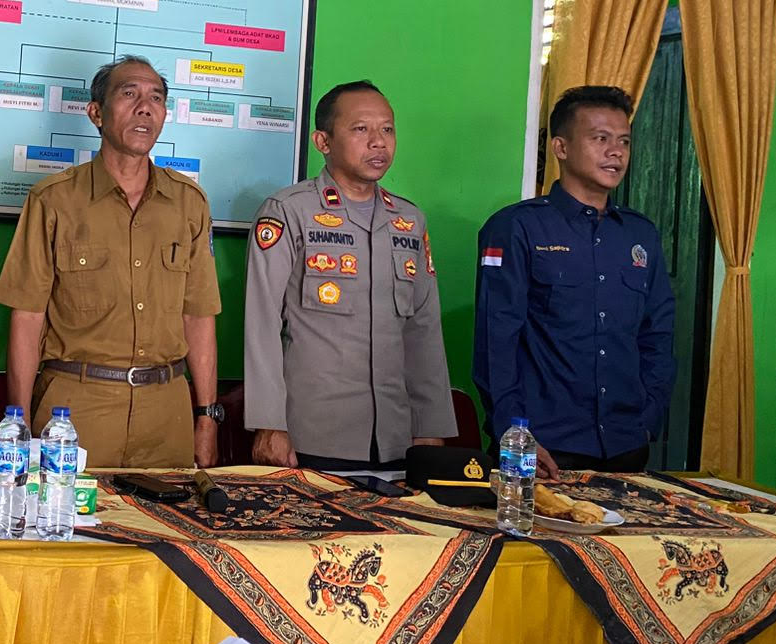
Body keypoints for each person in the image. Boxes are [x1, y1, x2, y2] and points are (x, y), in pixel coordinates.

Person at [0, 56, 223, 468]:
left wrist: (206, 416)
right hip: (75, 412)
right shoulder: (54, 200)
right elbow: (27, 317)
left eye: (156, 98)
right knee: (69, 512)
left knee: (173, 512)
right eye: (129, 93)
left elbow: (198, 315)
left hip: (166, 412)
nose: (145, 107)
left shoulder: (189, 203)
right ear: (96, 113)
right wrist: (20, 427)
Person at [244, 81, 455, 470]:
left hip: (397, 438)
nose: (378, 142)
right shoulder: (289, 211)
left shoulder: (409, 220)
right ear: (322, 141)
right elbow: (261, 324)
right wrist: (269, 423)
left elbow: (423, 330)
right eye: (361, 129)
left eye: (387, 129)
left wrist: (430, 424)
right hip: (313, 434)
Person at [474, 85, 675, 476]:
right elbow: (494, 343)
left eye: (624, 141)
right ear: (561, 148)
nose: (616, 152)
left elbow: (657, 335)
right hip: (544, 446)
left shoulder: (640, 235)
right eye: (600, 139)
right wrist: (515, 435)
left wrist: (648, 418)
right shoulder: (517, 227)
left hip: (626, 445)